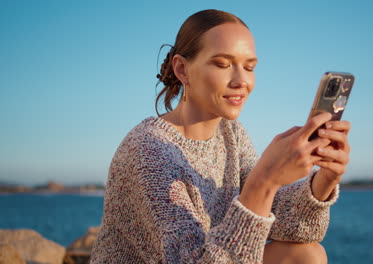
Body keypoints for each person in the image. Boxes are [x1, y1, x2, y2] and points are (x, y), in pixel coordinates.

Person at [90, 9, 351, 264]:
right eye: (222, 64)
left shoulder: (230, 133)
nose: (241, 81)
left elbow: (284, 224)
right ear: (182, 69)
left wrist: (324, 180)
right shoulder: (149, 151)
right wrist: (265, 180)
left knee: (306, 254)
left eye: (249, 67)